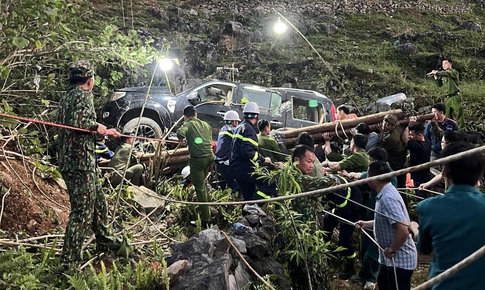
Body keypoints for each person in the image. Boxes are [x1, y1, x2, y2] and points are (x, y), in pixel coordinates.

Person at [57, 60, 121, 265]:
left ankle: (106, 242)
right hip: (79, 163)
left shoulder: (66, 97)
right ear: (90, 81)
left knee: (98, 205)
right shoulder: (83, 95)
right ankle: (68, 263)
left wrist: (101, 132)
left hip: (75, 161)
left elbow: (73, 125)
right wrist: (98, 127)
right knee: (82, 213)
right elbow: (80, 123)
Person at [411, 142, 485, 290]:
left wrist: (415, 229)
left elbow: (425, 248)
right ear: (479, 175)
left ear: (444, 171)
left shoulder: (428, 207)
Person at [356, 161, 417, 290]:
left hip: (399, 260)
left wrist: (391, 249)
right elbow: (388, 221)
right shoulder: (385, 192)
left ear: (374, 179)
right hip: (388, 259)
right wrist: (366, 224)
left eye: (368, 175)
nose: (366, 178)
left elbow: (404, 230)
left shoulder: (388, 198)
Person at [343, 147, 398, 290]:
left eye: (369, 160)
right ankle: (363, 274)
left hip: (381, 216)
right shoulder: (378, 172)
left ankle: (371, 279)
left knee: (373, 252)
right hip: (371, 213)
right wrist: (349, 174)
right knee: (365, 246)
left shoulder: (388, 177)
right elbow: (361, 175)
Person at [230, 102, 273, 208]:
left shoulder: (240, 127)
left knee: (248, 195)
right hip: (244, 168)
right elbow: (248, 152)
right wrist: (263, 160)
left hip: (235, 168)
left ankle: (247, 216)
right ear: (256, 116)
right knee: (270, 182)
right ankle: (254, 205)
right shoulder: (249, 130)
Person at [177, 105, 214, 227]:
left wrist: (181, 139)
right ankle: (208, 209)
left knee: (200, 189)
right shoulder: (206, 125)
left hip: (198, 161)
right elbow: (201, 140)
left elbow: (180, 133)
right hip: (209, 157)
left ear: (185, 117)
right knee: (202, 183)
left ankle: (205, 220)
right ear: (196, 114)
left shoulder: (189, 123)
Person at [427, 58, 465, 130]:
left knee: (458, 114)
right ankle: (450, 131)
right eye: (442, 64)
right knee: (447, 115)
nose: (444, 65)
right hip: (446, 98)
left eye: (445, 63)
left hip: (455, 96)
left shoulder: (453, 72)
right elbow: (439, 84)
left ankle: (462, 131)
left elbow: (448, 73)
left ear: (450, 64)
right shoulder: (443, 75)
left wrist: (437, 72)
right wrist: (436, 77)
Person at [378, 113, 408, 196]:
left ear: (387, 124)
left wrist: (381, 133)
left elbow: (381, 149)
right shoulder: (401, 128)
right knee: (402, 189)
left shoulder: (390, 138)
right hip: (403, 163)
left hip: (394, 166)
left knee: (395, 189)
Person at [404, 119, 432, 198]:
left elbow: (404, 138)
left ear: (419, 135)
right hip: (425, 174)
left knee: (422, 196)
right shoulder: (427, 141)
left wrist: (408, 125)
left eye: (412, 135)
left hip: (419, 176)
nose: (410, 137)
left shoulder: (417, 146)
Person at [214, 110, 240, 194]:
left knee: (227, 182)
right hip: (226, 161)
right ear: (233, 121)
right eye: (237, 121)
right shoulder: (233, 130)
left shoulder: (223, 129)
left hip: (219, 160)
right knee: (237, 185)